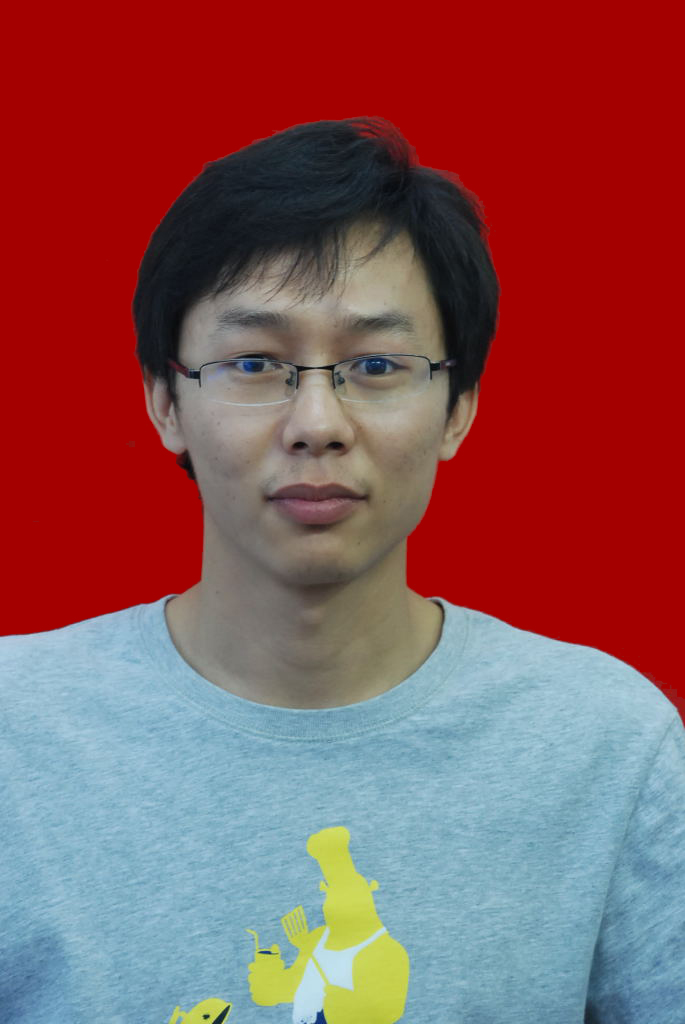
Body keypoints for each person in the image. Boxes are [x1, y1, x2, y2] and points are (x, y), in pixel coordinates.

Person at [1, 117, 683, 1023]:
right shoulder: (17, 735)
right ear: (165, 401)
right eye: (255, 362)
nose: (317, 423)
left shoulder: (604, 745)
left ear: (457, 407)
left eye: (375, 365)